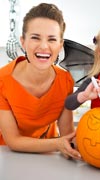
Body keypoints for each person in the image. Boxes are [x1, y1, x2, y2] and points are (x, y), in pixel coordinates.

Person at [0, 3, 81, 160]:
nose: (44, 46)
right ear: (23, 42)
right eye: (35, 38)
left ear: (60, 45)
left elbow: (67, 134)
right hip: (6, 157)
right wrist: (58, 144)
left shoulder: (65, 81)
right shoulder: (2, 81)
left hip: (47, 156)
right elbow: (13, 141)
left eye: (52, 39)